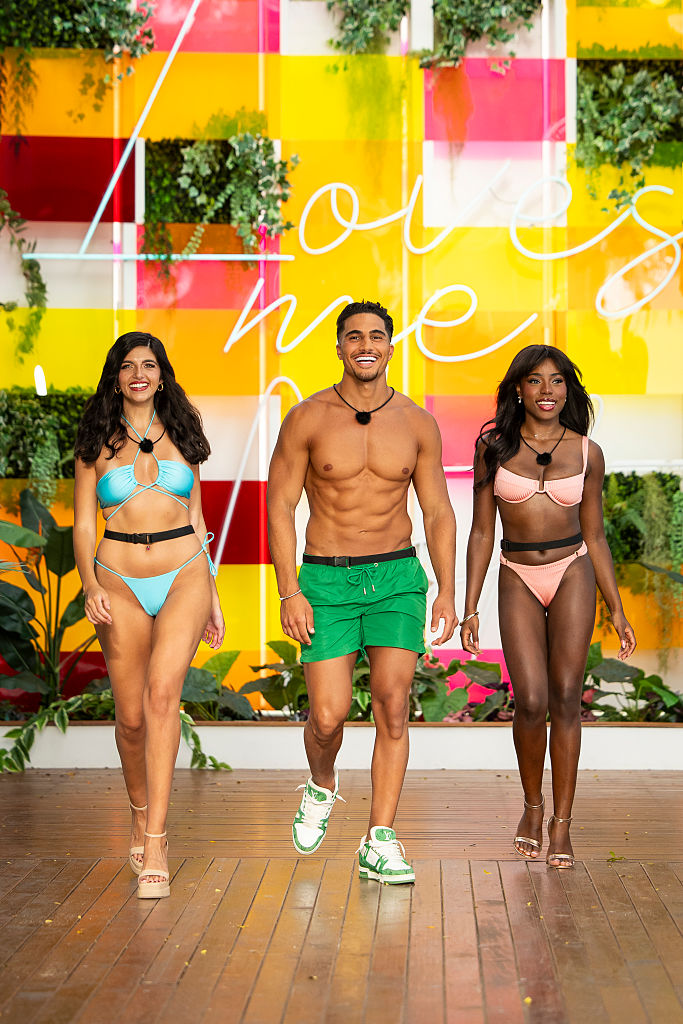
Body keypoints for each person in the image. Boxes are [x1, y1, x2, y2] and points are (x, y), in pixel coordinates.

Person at [267, 299, 457, 884]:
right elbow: (279, 507)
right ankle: (321, 783)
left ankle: (380, 839)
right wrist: (289, 591)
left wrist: (447, 589)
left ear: (390, 347)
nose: (366, 345)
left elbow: (438, 511)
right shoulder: (307, 418)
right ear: (339, 347)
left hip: (397, 577)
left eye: (376, 336)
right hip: (326, 579)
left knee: (393, 705)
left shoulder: (417, 423)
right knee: (327, 717)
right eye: (354, 336)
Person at [461, 344, 636, 868]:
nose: (547, 391)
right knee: (532, 700)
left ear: (568, 389)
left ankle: (562, 823)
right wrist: (470, 606)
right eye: (535, 380)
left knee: (565, 696)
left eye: (557, 381)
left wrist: (617, 609)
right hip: (516, 572)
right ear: (518, 388)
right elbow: (481, 532)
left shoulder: (587, 453)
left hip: (572, 569)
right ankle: (532, 807)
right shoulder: (493, 448)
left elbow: (596, 536)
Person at [73, 331, 224, 898]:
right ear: (116, 378)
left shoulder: (183, 432)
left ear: (162, 376)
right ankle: (139, 811)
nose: (139, 374)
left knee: (163, 695)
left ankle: (157, 840)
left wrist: (212, 594)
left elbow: (198, 517)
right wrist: (89, 584)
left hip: (185, 572)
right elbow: (83, 524)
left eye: (150, 365)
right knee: (132, 717)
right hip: (118, 580)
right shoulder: (95, 440)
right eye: (128, 366)